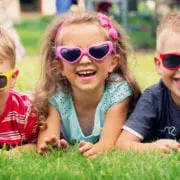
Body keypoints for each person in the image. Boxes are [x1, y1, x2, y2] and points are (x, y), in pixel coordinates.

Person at [34, 11, 140, 158]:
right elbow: (46, 142)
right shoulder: (55, 97)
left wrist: (96, 149)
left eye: (97, 51)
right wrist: (52, 147)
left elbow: (107, 145)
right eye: (71, 54)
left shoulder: (119, 93)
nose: (85, 61)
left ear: (113, 62)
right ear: (59, 67)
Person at [116, 12, 180, 153]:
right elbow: (123, 143)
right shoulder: (153, 98)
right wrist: (151, 148)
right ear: (159, 64)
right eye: (173, 60)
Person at [0, 28, 38, 154]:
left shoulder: (26, 113)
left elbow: (42, 144)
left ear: (12, 78)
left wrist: (14, 153)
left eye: (0, 80)